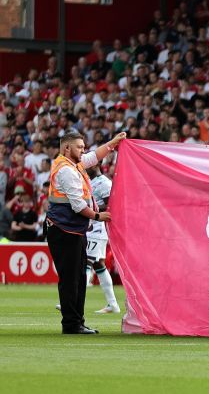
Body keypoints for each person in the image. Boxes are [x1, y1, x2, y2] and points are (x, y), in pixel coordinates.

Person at [46, 131, 126, 335]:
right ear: (67, 148)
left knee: (78, 277)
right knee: (72, 279)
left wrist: (112, 143)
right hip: (65, 229)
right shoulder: (66, 170)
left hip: (71, 229)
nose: (83, 150)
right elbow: (77, 205)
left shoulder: (72, 164)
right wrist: (99, 217)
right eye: (79, 147)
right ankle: (72, 324)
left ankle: (76, 322)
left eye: (83, 147)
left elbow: (93, 156)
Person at [84, 165, 120, 314]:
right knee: (98, 265)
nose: (86, 167)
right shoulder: (90, 181)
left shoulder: (104, 182)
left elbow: (112, 205)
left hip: (98, 229)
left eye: (89, 165)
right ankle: (113, 304)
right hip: (91, 228)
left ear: (97, 165)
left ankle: (73, 302)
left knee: (85, 262)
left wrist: (94, 209)